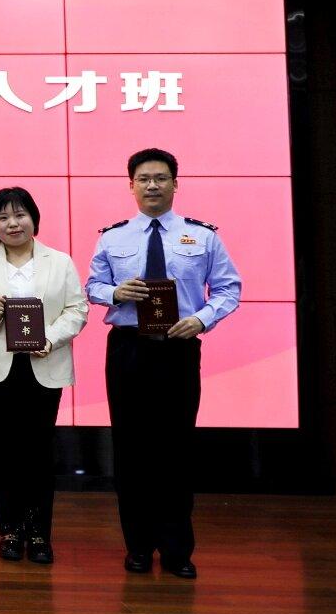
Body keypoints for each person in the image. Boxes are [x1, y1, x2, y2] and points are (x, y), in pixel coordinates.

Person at [87, 148, 240, 580]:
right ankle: (137, 546)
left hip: (178, 348)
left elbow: (228, 288)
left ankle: (176, 550)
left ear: (175, 183)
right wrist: (115, 293)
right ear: (131, 186)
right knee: (131, 448)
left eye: (160, 178)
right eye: (143, 179)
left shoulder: (202, 236)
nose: (151, 185)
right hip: (128, 349)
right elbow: (92, 285)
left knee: (175, 448)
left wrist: (201, 319)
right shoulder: (112, 238)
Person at [0, 187, 88, 564]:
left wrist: (50, 338)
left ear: (33, 219)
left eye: (19, 215)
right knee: (5, 450)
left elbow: (77, 310)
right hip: (0, 369)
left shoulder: (59, 261)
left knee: (39, 451)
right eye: (3, 217)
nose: (12, 224)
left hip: (44, 364)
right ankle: (10, 530)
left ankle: (39, 532)